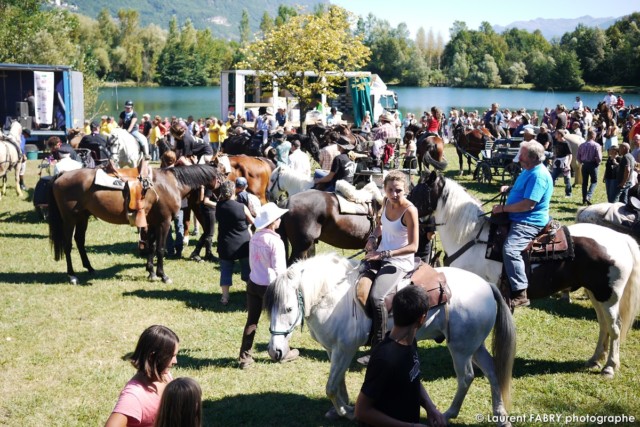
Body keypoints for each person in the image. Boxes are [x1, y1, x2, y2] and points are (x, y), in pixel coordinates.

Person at [355, 286, 446, 427]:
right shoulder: (385, 359)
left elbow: (412, 377)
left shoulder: (409, 342)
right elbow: (361, 411)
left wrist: (429, 406)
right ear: (422, 318)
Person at [357, 170, 419, 366]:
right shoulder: (385, 203)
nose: (394, 194)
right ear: (384, 189)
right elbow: (381, 226)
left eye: (398, 190)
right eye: (390, 190)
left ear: (405, 190)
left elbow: (414, 246)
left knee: (377, 297)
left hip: (399, 262)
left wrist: (383, 254)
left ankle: (380, 350)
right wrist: (373, 238)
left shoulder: (410, 210)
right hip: (381, 254)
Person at [491, 140, 553, 308]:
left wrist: (503, 208)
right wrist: (510, 189)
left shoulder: (538, 175)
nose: (519, 158)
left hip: (528, 221)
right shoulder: (529, 170)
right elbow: (523, 189)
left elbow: (528, 205)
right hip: (517, 217)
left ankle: (520, 291)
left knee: (510, 250)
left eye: (522, 156)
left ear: (532, 158)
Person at [239, 202, 298, 369]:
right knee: (279, 321)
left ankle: (245, 356)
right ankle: (282, 351)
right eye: (278, 218)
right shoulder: (276, 242)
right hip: (270, 287)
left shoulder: (255, 237)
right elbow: (280, 271)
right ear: (273, 222)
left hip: (253, 283)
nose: (280, 220)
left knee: (252, 321)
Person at [105, 325, 179, 427]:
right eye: (171, 356)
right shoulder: (134, 396)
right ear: (153, 356)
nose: (175, 361)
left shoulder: (164, 375)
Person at [216, 180, 254, 305]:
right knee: (247, 271)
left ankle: (225, 297)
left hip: (225, 244)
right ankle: (250, 294)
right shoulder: (241, 207)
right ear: (234, 191)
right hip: (242, 244)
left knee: (225, 270)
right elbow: (253, 221)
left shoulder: (219, 206)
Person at [189, 183, 217, 263]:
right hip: (209, 211)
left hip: (207, 210)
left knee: (206, 233)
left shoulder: (206, 185)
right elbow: (204, 201)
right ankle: (208, 255)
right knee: (209, 233)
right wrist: (218, 204)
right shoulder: (209, 187)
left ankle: (196, 253)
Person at [577, 129, 603, 205]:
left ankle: (584, 198)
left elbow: (578, 157)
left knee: (584, 183)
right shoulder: (596, 145)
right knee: (594, 181)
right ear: (593, 136)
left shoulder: (582, 145)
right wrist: (597, 163)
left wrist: (582, 162)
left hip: (584, 165)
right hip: (593, 165)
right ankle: (589, 195)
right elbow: (599, 157)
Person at [551, 130, 573, 198]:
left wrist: (568, 164)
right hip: (557, 161)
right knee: (552, 178)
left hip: (564, 162)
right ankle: (549, 192)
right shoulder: (557, 142)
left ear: (560, 135)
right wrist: (553, 161)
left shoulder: (566, 143)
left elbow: (570, 155)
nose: (555, 135)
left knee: (567, 179)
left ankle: (568, 194)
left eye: (556, 134)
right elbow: (555, 153)